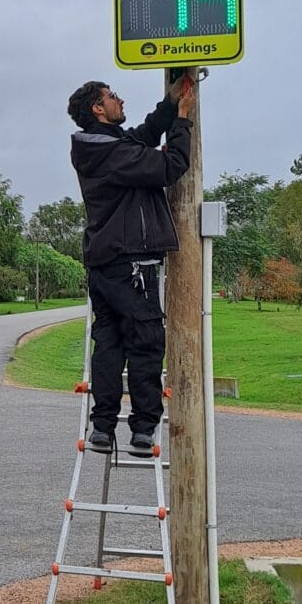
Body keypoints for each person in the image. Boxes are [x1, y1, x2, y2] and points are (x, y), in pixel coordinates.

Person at [67, 73, 196, 456]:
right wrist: (184, 121)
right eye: (113, 97)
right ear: (98, 108)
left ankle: (102, 429)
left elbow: (143, 135)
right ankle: (142, 430)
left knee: (108, 343)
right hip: (132, 262)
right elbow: (170, 166)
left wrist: (171, 105)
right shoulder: (114, 153)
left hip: (104, 263)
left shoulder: (103, 146)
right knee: (144, 342)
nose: (120, 101)